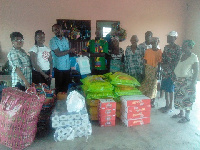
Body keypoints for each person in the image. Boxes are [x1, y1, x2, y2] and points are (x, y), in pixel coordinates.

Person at [172, 40, 199, 123]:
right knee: (179, 98)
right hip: (179, 81)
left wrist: (193, 83)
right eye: (183, 45)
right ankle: (181, 113)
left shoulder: (193, 57)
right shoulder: (182, 55)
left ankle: (187, 117)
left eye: (185, 46)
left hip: (187, 82)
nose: (183, 47)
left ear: (190, 47)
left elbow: (196, 71)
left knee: (187, 99)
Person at [49, 24, 76, 94]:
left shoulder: (65, 39)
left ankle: (64, 102)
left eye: (58, 29)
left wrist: (73, 52)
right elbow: (58, 54)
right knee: (59, 89)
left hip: (67, 67)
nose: (57, 31)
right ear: (53, 31)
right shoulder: (53, 41)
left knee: (66, 88)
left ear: (61, 29)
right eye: (55, 30)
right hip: (59, 69)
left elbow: (66, 52)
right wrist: (69, 51)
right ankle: (58, 102)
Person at [160, 31, 181, 113]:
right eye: (168, 37)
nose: (168, 38)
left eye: (170, 37)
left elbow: (178, 61)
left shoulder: (178, 48)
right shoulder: (166, 47)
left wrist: (168, 64)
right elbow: (163, 58)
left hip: (173, 72)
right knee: (165, 88)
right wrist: (163, 64)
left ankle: (170, 106)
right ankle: (166, 104)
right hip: (165, 71)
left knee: (171, 88)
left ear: (175, 38)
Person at [139, 37, 162, 107]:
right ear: (151, 43)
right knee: (147, 83)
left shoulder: (159, 52)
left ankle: (153, 101)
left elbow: (160, 62)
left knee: (154, 85)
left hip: (155, 69)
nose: (154, 44)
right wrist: (143, 70)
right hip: (148, 69)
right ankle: (146, 100)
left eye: (155, 42)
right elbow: (145, 61)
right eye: (152, 43)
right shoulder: (148, 51)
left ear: (157, 43)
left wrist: (158, 71)